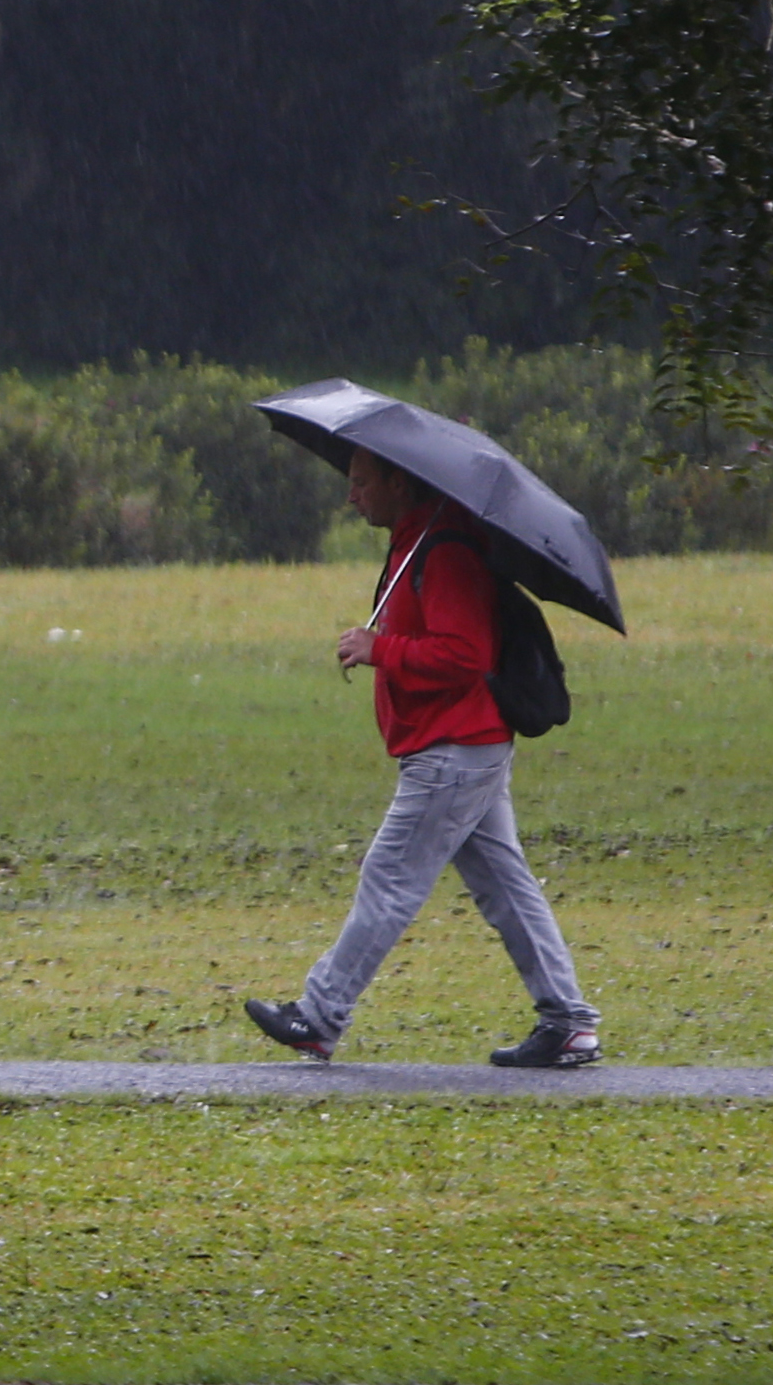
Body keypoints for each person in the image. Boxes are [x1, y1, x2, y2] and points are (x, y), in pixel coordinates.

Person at [244, 446, 603, 1068]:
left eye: (362, 482)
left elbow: (465, 654)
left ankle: (319, 1016)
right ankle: (569, 1023)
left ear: (400, 482)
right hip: (463, 748)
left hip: (454, 750)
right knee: (506, 888)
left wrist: (380, 650)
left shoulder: (445, 552)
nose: (352, 495)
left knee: (389, 880)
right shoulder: (415, 543)